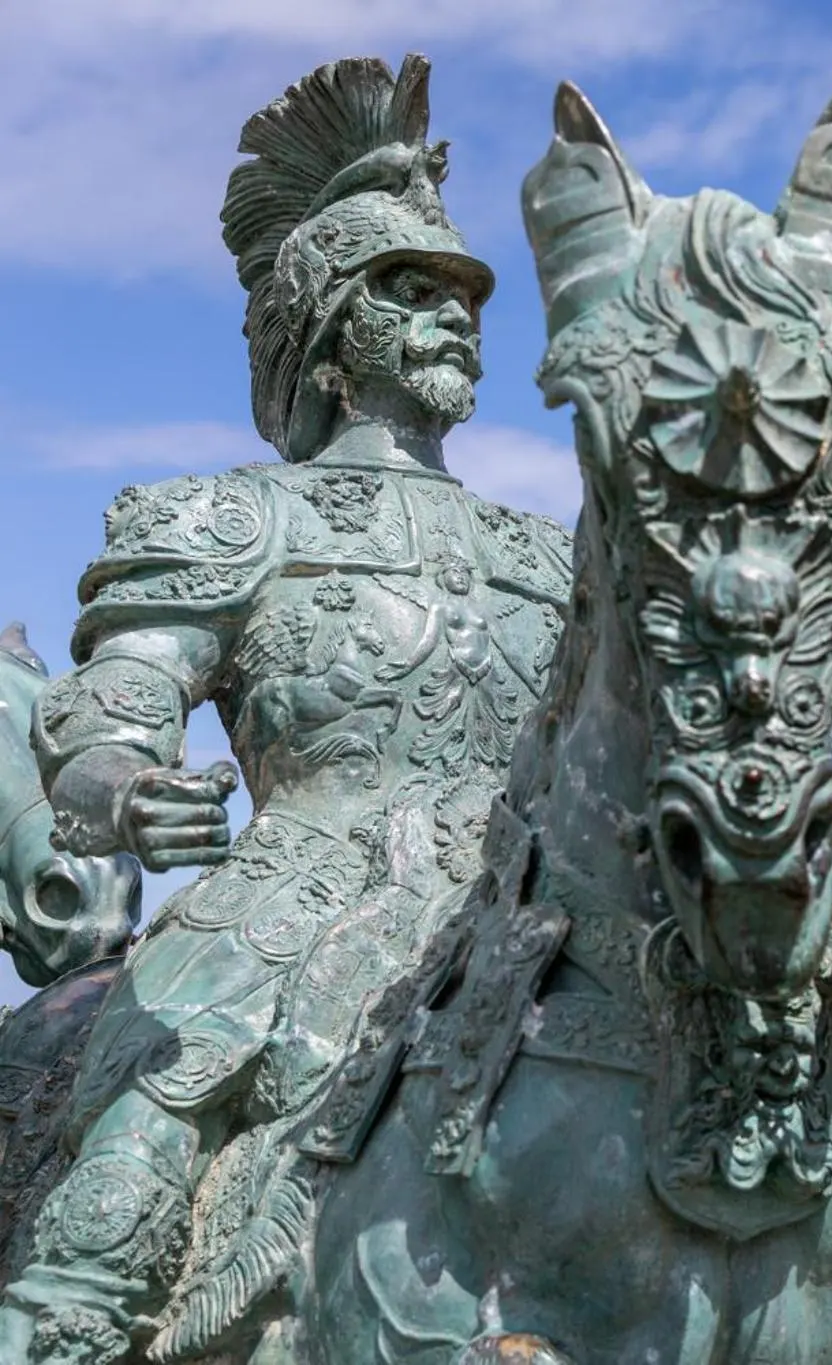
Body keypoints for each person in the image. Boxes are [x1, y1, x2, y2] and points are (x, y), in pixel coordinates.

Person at [0, 56, 571, 1365]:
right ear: (324, 332)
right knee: (117, 1205)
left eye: (462, 295)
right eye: (410, 292)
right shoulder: (228, 520)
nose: (453, 316)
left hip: (531, 914)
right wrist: (129, 786)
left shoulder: (553, 556)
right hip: (286, 913)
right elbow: (109, 707)